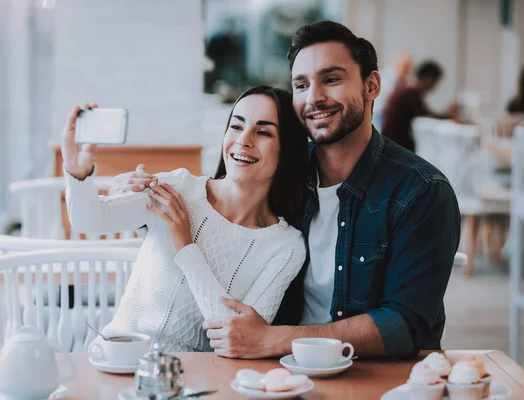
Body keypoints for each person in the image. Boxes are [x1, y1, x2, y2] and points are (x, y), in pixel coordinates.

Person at [113, 21, 461, 359]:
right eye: (301, 85)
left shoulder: (421, 192)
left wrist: (274, 339)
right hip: (275, 371)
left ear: (371, 86)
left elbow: (406, 326)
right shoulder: (280, 170)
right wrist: (138, 195)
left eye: (332, 79)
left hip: (375, 375)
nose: (315, 97)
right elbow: (221, 200)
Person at [62, 86, 308, 352]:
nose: (243, 140)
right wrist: (77, 171)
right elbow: (90, 221)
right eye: (236, 126)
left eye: (263, 132)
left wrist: (186, 246)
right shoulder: (177, 187)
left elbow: (235, 338)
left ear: (288, 149)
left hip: (192, 380)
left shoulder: (286, 247)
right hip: (118, 357)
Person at [382, 60, 458, 152]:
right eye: (435, 82)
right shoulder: (410, 93)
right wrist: (448, 114)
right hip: (395, 144)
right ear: (428, 79)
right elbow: (427, 116)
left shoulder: (406, 90)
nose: (435, 87)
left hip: (391, 141)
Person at [372, 52, 412, 131]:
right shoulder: (390, 78)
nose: (406, 72)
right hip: (380, 114)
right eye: (405, 68)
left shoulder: (396, 78)